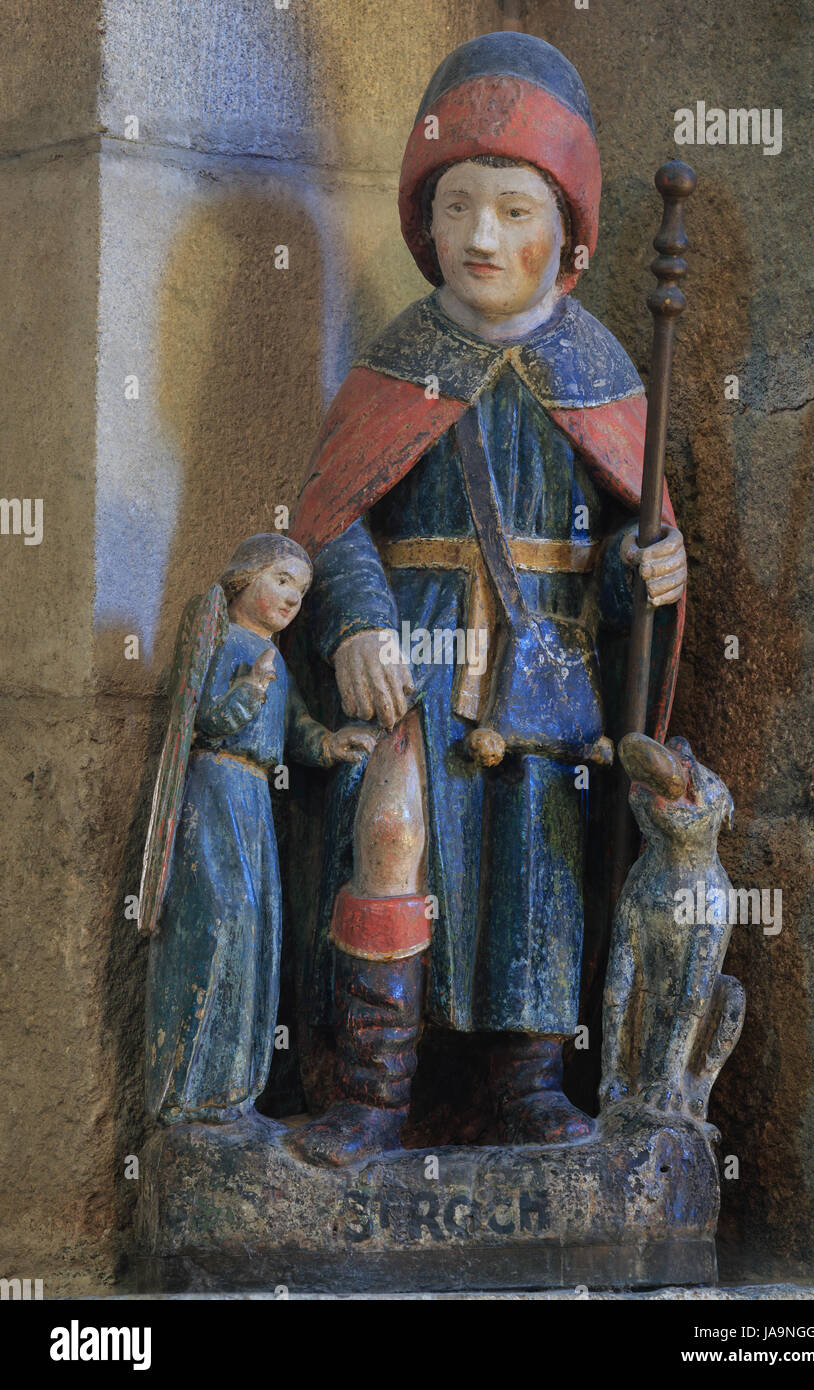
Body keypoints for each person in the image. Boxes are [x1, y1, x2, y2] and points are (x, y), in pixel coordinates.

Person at [285, 33, 686, 1167]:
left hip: (543, 671)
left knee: (535, 867)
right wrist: (357, 613)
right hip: (411, 654)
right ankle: (370, 1091)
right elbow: (332, 520)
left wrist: (641, 568)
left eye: (513, 209)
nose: (480, 237)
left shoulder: (601, 366)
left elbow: (616, 549)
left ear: (565, 230)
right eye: (458, 205)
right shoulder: (398, 361)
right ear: (425, 222)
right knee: (392, 833)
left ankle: (527, 1088)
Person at [143, 533, 375, 1126]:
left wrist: (328, 741)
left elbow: (293, 726)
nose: (292, 597)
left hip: (253, 801)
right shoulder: (216, 637)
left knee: (256, 932)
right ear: (243, 578)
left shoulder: (278, 659)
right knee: (216, 922)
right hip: (213, 790)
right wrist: (251, 688)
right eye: (281, 579)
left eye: (301, 589)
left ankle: (236, 1092)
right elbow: (208, 719)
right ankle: (188, 1091)